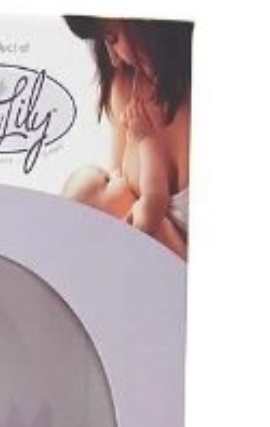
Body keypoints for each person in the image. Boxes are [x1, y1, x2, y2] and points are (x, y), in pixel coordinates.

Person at [62, 17, 192, 259]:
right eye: (107, 180)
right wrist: (146, 140)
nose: (113, 58)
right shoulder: (137, 221)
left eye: (113, 37)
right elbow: (155, 198)